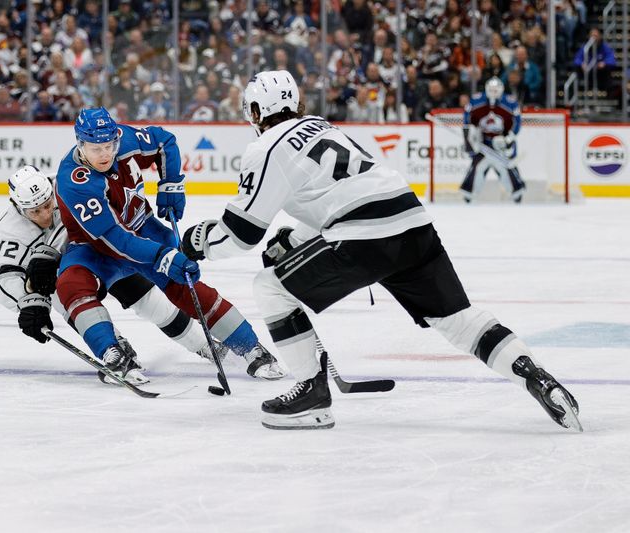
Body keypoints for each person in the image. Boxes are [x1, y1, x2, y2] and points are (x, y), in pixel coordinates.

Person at [181, 70, 582, 432]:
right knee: (458, 320)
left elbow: (241, 234)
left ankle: (311, 395)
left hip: (365, 235)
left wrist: (198, 241)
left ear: (256, 108)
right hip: (411, 221)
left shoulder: (267, 146)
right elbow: (341, 192)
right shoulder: (323, 127)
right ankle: (534, 374)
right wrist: (298, 240)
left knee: (270, 287)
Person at [52, 108, 285, 381]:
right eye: (95, 148)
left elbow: (165, 141)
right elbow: (114, 238)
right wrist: (161, 254)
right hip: (96, 248)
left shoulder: (126, 139)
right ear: (80, 144)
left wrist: (171, 183)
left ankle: (251, 347)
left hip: (143, 229)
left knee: (185, 284)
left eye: (109, 146)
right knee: (70, 284)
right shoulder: (74, 181)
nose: (104, 154)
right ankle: (112, 352)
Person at [0, 165, 237, 384]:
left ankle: (204, 346)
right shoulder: (13, 231)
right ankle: (116, 352)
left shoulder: (68, 187)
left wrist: (51, 250)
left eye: (47, 206)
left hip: (102, 254)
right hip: (69, 274)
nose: (45, 215)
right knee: (68, 300)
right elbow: (5, 277)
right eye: (35, 212)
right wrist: (30, 304)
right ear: (18, 207)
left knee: (152, 303)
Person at [461, 77, 525, 203]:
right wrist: (472, 135)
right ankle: (469, 193)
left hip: (501, 142)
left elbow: (517, 122)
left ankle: (516, 191)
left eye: (496, 90)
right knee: (478, 166)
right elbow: (467, 119)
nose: (493, 93)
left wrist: (508, 138)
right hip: (482, 141)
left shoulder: (510, 102)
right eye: (491, 90)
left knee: (505, 166)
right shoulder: (476, 100)